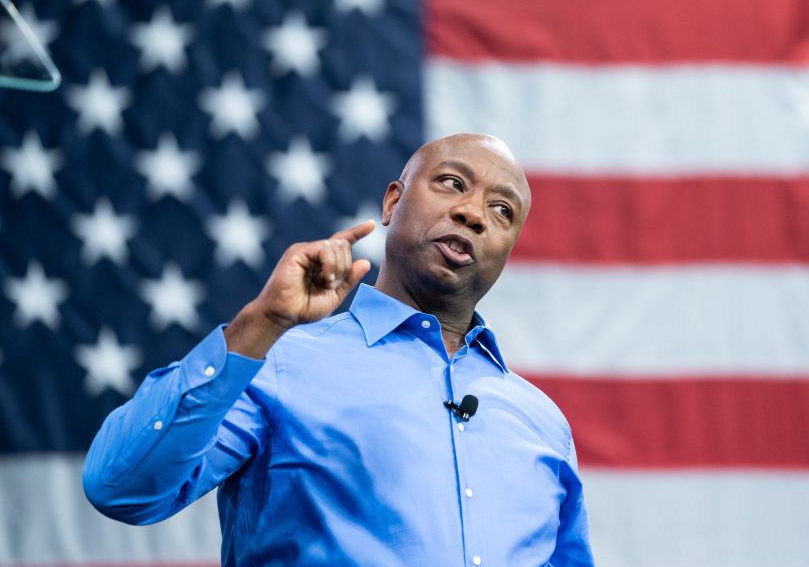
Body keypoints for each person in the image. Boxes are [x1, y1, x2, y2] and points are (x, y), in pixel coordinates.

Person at [83, 133, 594, 566]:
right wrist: (263, 323)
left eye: (501, 210)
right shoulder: (276, 362)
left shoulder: (543, 423)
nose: (473, 213)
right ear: (393, 201)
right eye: (453, 184)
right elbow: (121, 487)